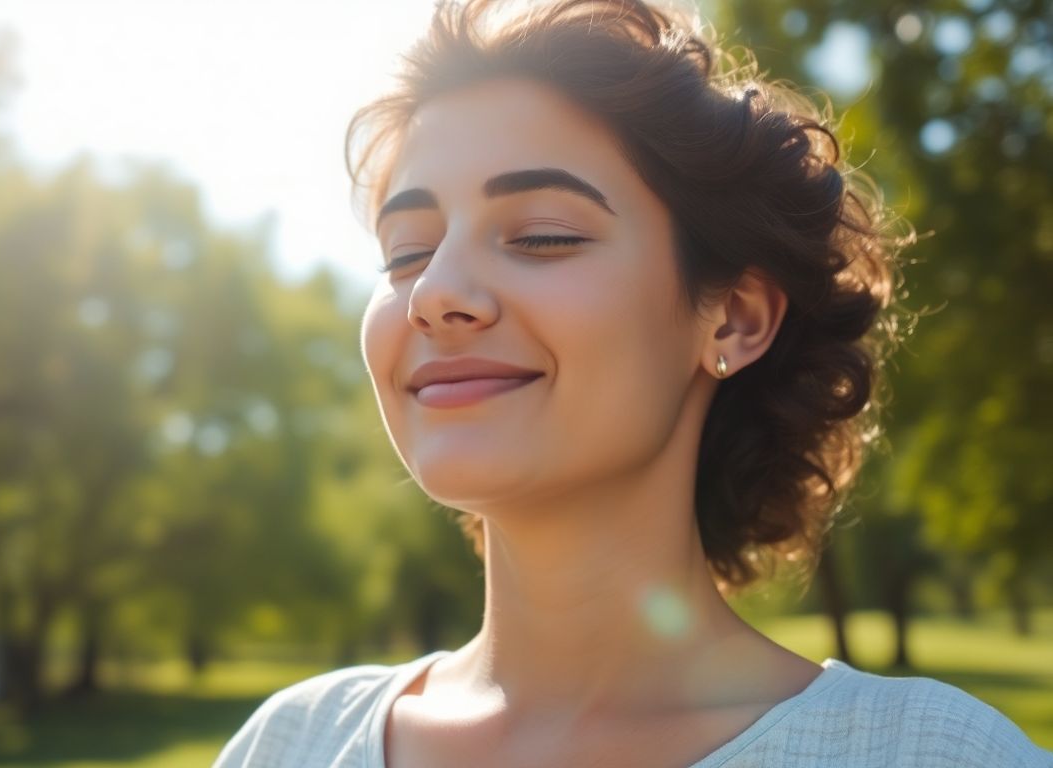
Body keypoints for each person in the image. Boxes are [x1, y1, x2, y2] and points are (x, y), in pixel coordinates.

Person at [215, 0, 1052, 765]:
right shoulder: (291, 743)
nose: (434, 292)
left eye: (541, 236)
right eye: (406, 252)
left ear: (734, 319)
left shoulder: (929, 754)